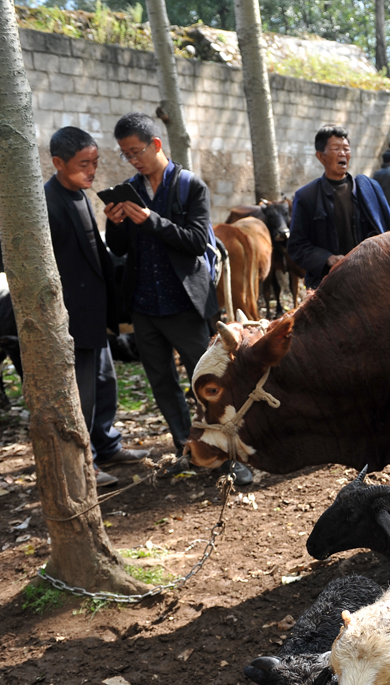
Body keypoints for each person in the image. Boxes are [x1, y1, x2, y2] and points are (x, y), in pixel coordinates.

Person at [104, 113, 255, 485]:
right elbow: (118, 248)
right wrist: (115, 221)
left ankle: (234, 455)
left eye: (137, 151)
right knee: (162, 382)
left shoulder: (191, 187)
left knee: (210, 382)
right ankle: (186, 449)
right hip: (144, 305)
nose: (133, 160)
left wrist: (150, 220)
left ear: (156, 144)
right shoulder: (129, 188)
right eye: (125, 154)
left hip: (185, 303)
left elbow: (194, 241)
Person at [46, 126, 148, 487]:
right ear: (58, 163)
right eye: (83, 164)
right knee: (82, 393)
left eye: (95, 162)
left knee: (104, 383)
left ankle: (106, 445)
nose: (91, 171)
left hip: (94, 311)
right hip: (73, 316)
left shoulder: (80, 195)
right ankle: (82, 462)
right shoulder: (48, 201)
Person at [287, 124, 390, 290]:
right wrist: (327, 259)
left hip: (370, 280)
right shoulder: (307, 196)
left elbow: (389, 232)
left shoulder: (369, 189)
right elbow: (297, 247)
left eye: (346, 148)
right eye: (336, 148)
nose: (343, 153)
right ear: (320, 156)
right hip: (328, 286)